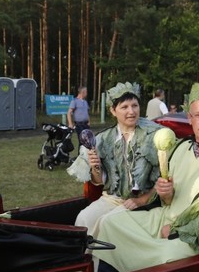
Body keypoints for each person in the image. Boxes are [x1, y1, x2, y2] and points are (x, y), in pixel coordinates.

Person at [93, 84, 199, 272]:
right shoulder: (182, 147)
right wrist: (165, 193)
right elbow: (167, 201)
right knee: (111, 224)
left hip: (194, 234)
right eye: (198, 115)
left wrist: (180, 228)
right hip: (165, 216)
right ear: (189, 118)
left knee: (164, 258)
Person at [67, 82, 161, 236]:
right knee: (83, 219)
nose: (131, 111)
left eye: (135, 105)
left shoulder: (155, 134)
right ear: (113, 110)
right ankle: (86, 259)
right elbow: (99, 181)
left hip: (145, 201)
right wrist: (95, 166)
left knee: (106, 224)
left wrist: (142, 199)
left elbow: (166, 175)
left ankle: (101, 260)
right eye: (124, 107)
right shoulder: (103, 139)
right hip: (112, 198)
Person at [66, 86, 90, 153]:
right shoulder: (74, 101)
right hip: (79, 125)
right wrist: (70, 124)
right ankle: (80, 156)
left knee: (88, 141)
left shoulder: (85, 102)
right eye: (86, 92)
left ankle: (86, 156)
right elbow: (69, 113)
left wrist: (89, 121)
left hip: (86, 124)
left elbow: (86, 112)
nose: (87, 93)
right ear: (82, 92)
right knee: (82, 141)